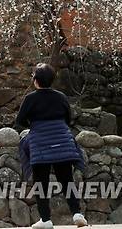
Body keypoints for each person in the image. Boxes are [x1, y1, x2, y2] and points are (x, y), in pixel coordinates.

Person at [16, 63, 87, 229]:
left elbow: (19, 122)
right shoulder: (61, 97)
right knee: (66, 180)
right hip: (62, 141)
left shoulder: (30, 98)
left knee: (41, 183)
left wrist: (33, 126)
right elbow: (68, 120)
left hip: (40, 143)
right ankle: (77, 214)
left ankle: (46, 220)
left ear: (35, 80)